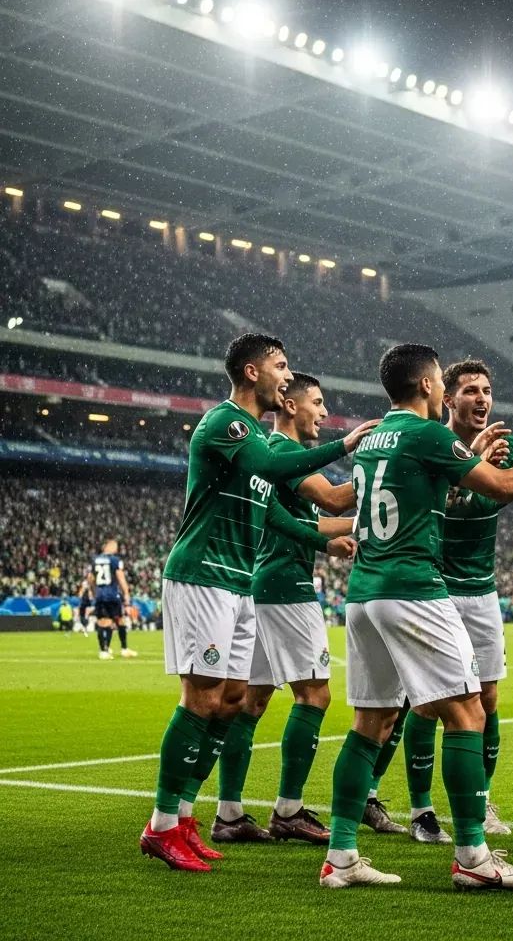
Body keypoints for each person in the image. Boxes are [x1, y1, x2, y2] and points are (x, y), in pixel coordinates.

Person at [320, 343, 513, 891]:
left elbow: (418, 488)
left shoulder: (371, 440)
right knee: (468, 713)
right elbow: (500, 486)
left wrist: (470, 455)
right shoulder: (429, 434)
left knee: (371, 725)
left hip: (361, 595)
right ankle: (474, 858)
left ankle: (341, 858)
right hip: (414, 588)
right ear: (430, 385)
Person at [140, 333, 366, 873]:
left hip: (239, 583)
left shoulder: (255, 447)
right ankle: (163, 824)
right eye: (280, 366)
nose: (286, 376)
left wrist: (323, 539)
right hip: (204, 575)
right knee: (200, 698)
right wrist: (344, 445)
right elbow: (277, 468)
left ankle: (192, 816)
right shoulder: (228, 424)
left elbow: (279, 517)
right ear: (250, 372)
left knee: (232, 698)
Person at [211, 373, 373, 845]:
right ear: (291, 406)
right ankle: (289, 809)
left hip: (268, 583)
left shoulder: (278, 457)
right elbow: (334, 497)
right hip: (287, 586)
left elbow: (319, 520)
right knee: (314, 694)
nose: (324, 412)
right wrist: (385, 474)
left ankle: (229, 813)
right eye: (317, 403)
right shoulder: (282, 452)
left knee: (250, 701)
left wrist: (371, 525)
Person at [396, 358, 513, 845]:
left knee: (488, 701)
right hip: (437, 591)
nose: (482, 398)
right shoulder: (433, 443)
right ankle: (421, 809)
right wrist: (472, 457)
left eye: (487, 390)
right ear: (447, 399)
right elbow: (441, 498)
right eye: (471, 390)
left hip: (484, 592)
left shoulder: (506, 446)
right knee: (427, 704)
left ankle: (482, 798)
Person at [86, 539, 137, 660]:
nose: (116, 548)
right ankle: (121, 649)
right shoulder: (114, 560)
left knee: (103, 622)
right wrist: (126, 593)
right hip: (113, 595)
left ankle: (104, 650)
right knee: (118, 620)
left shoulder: (95, 560)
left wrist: (94, 592)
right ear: (109, 546)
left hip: (100, 595)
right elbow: (121, 577)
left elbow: (90, 579)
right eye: (115, 546)